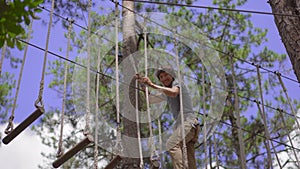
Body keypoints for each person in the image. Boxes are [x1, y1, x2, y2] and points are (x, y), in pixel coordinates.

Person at [135, 67, 200, 169]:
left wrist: (152, 85)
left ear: (172, 75)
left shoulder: (178, 84)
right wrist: (143, 85)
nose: (164, 78)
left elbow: (173, 93)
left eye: (166, 75)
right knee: (189, 159)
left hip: (188, 123)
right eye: (161, 77)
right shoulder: (166, 93)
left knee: (172, 144)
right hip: (188, 127)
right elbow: (150, 100)